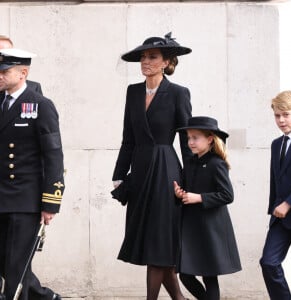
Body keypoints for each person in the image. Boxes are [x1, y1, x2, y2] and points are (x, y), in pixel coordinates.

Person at [112, 32, 192, 300]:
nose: (145, 61)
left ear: (166, 61)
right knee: (152, 241)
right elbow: (127, 138)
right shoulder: (133, 92)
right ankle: (179, 299)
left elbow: (186, 139)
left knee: (158, 241)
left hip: (166, 171)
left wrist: (190, 180)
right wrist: (119, 175)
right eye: (143, 57)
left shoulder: (179, 93)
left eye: (152, 57)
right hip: (140, 172)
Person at [0, 48, 64, 300]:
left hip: (25, 199)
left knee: (16, 266)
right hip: (1, 195)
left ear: (23, 73)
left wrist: (51, 202)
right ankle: (46, 297)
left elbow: (54, 156)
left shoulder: (41, 105)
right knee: (7, 261)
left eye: (5, 71)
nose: (0, 76)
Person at [174, 116, 242, 300]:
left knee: (209, 276)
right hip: (192, 226)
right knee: (185, 274)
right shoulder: (191, 163)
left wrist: (200, 198)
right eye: (188, 138)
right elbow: (188, 190)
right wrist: (181, 194)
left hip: (211, 228)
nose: (190, 142)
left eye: (195, 137)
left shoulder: (217, 163)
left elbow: (227, 195)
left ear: (210, 138)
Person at [260, 90, 291, 300]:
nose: (281, 120)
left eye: (286, 114)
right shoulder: (277, 144)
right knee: (268, 262)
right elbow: (276, 181)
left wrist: (289, 204)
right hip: (280, 219)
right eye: (277, 115)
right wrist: (274, 209)